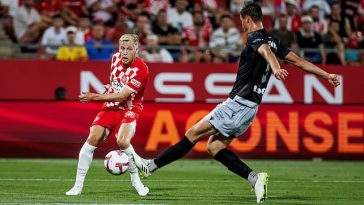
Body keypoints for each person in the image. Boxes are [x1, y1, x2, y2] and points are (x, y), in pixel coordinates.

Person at [134, 3, 340, 203]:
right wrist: (327, 74)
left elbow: (266, 51)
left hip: (238, 103)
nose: (241, 25)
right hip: (249, 108)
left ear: (248, 19)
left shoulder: (255, 38)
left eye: (242, 21)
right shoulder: (274, 40)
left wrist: (275, 67)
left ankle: (150, 167)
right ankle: (254, 179)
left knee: (193, 134)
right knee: (214, 148)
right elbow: (300, 62)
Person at [66, 34, 150, 196]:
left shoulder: (141, 69)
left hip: (130, 107)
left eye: (129, 49)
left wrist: (94, 97)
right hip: (111, 106)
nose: (124, 52)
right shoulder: (115, 58)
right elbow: (116, 82)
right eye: (122, 48)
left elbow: (122, 96)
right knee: (92, 139)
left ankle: (137, 181)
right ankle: (78, 186)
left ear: (136, 49)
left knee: (123, 141)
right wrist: (109, 86)